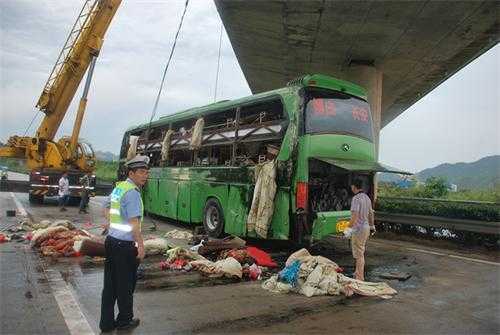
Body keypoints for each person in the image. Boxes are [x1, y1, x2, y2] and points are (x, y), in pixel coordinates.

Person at [99, 155, 149, 333]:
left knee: (110, 285)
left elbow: (104, 207)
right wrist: (141, 246)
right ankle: (125, 321)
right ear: (131, 173)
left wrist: (112, 223)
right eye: (141, 172)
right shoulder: (133, 192)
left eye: (146, 172)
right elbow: (134, 223)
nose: (145, 176)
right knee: (126, 285)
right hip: (124, 247)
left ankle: (106, 323)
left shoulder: (119, 188)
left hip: (111, 242)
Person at [344, 179, 375, 281]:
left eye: (352, 187)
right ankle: (357, 273)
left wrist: (348, 228)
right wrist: (372, 226)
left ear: (353, 187)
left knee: (359, 255)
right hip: (365, 228)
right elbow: (371, 214)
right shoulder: (367, 198)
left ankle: (359, 278)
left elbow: (354, 216)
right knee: (360, 252)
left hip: (358, 230)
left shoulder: (356, 199)